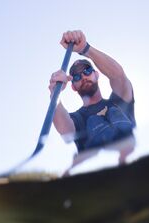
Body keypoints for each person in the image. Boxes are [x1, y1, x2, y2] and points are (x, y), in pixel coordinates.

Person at [49, 30, 136, 175]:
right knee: (92, 121)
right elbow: (65, 130)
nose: (82, 76)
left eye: (87, 70)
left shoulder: (119, 102)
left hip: (133, 166)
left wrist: (85, 48)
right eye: (76, 76)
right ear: (73, 86)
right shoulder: (77, 119)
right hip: (101, 177)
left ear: (96, 75)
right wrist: (54, 93)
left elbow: (118, 75)